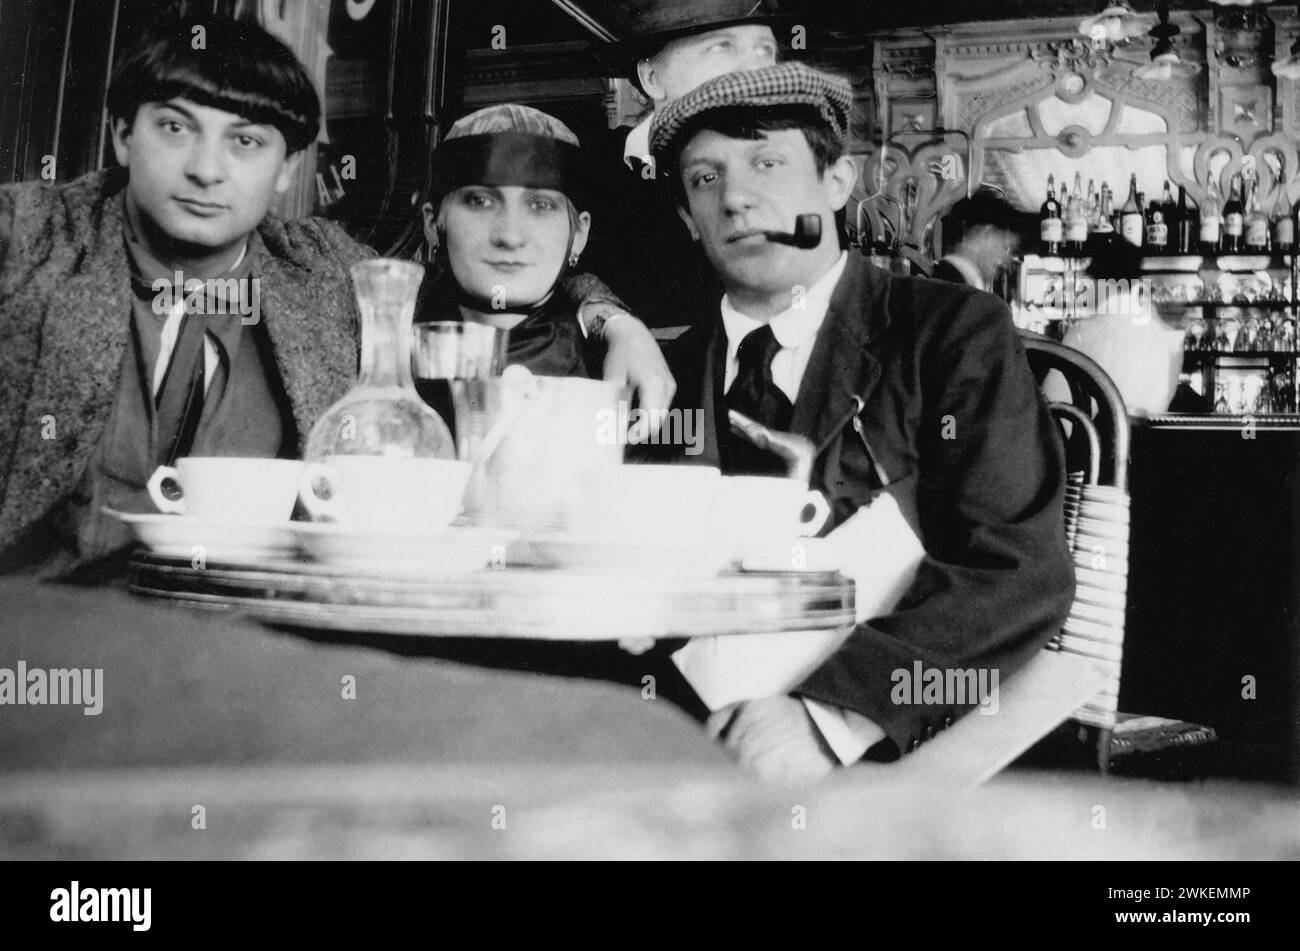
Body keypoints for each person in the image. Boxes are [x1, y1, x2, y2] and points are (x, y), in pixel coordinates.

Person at [0, 16, 668, 578]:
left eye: (246, 141)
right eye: (175, 128)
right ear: (122, 134)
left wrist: (614, 320)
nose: (207, 169)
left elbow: (494, 282)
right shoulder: (31, 240)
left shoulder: (316, 270)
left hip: (253, 649)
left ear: (287, 166)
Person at [645, 63, 1075, 782]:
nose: (738, 199)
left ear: (837, 184)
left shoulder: (948, 333)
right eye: (705, 179)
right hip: (677, 756)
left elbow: (1019, 577)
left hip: (894, 761)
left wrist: (830, 717)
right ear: (688, 218)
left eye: (768, 163)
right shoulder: (662, 375)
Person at [580, 0, 788, 329]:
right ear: (651, 78)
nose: (753, 71)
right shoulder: (592, 172)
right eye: (722, 47)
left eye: (764, 50)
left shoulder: (797, 175)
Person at [415, 104, 606, 378]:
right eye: (479, 201)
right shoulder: (377, 341)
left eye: (541, 205)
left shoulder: (615, 368)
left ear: (578, 235)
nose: (509, 236)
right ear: (433, 223)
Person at [932, 188, 1022, 292]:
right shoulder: (962, 292)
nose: (1003, 260)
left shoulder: (943, 277)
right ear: (985, 234)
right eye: (1002, 247)